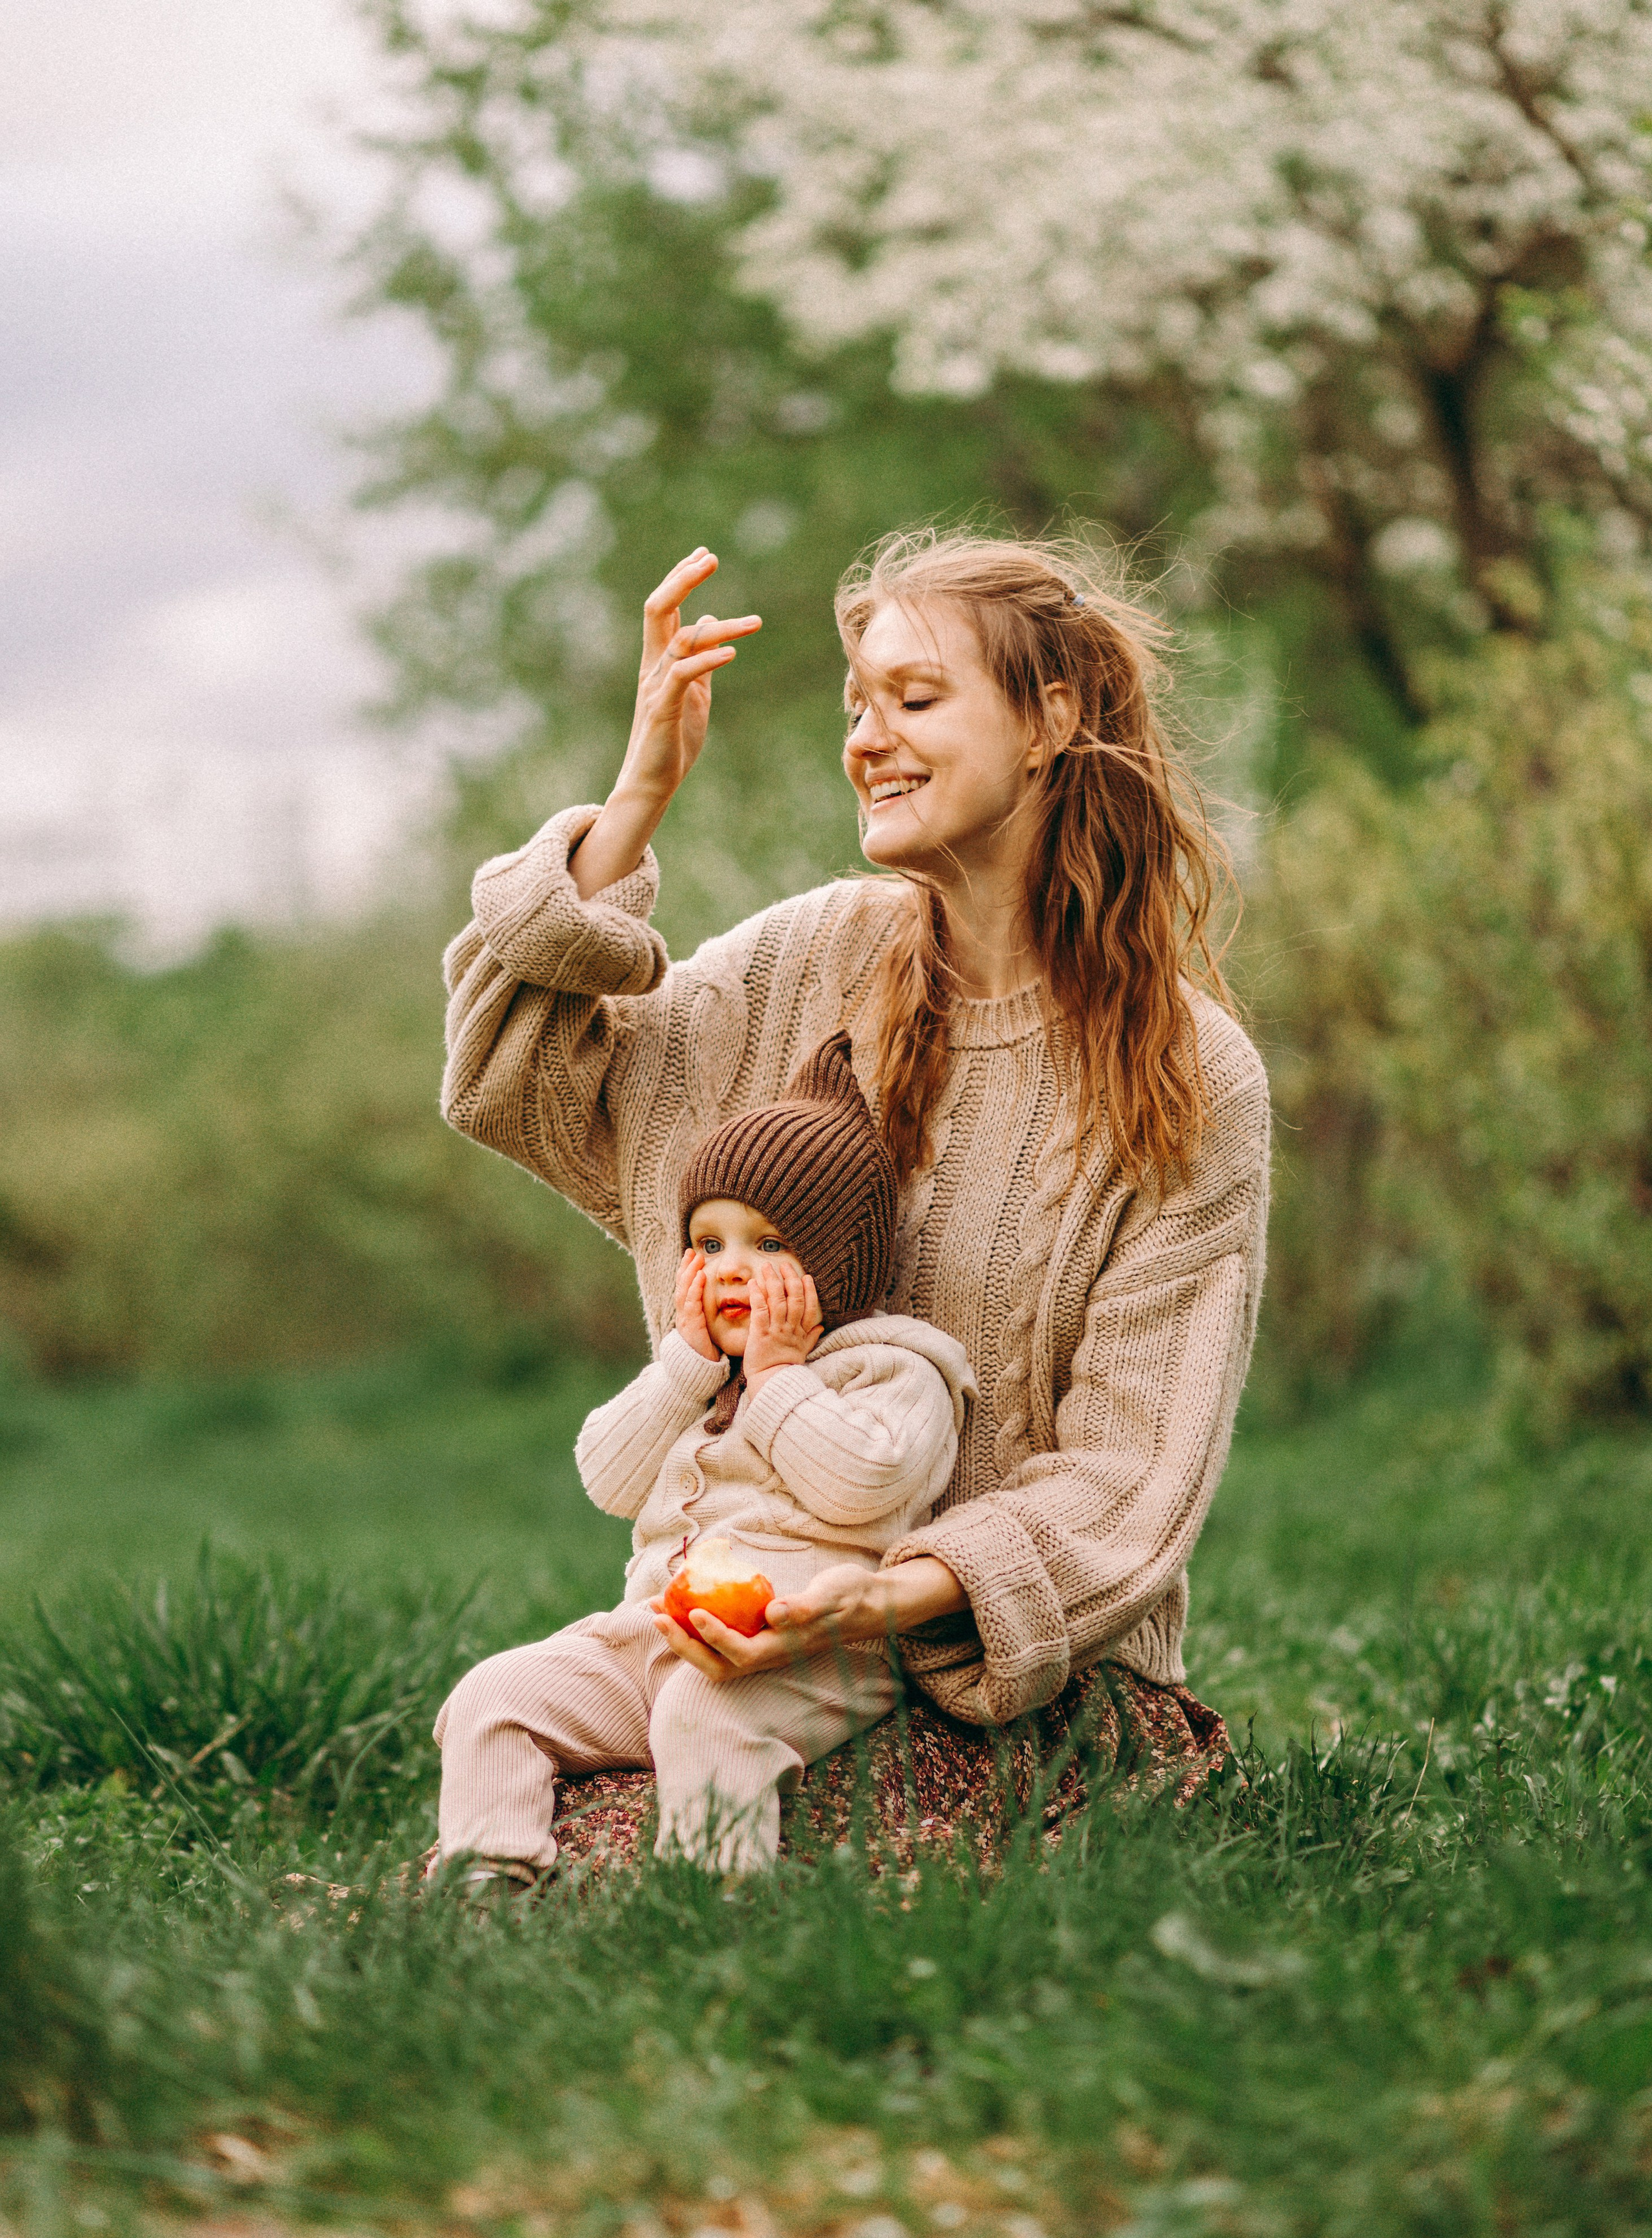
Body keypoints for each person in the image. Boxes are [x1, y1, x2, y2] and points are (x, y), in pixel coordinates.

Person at [438, 527, 1269, 1860]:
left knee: (716, 1840)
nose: (867, 738)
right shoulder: (805, 960)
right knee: (531, 1792)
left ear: (1050, 719)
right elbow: (520, 1079)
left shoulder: (1186, 1078)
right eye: (856, 705)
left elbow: (1121, 1482)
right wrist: (636, 798)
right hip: (740, 1645)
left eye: (915, 698)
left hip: (1002, 1679)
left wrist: (878, 1602)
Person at [432, 1033, 975, 1882]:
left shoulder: (895, 1367)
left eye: (767, 1246)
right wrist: (684, 1366)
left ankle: (711, 1898)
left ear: (838, 1260)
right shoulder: (698, 1380)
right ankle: (492, 1872)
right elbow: (607, 1477)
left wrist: (779, 1376)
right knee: (494, 1693)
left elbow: (863, 1486)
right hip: (655, 1635)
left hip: (812, 1655)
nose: (730, 1269)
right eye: (708, 1242)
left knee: (700, 1712)